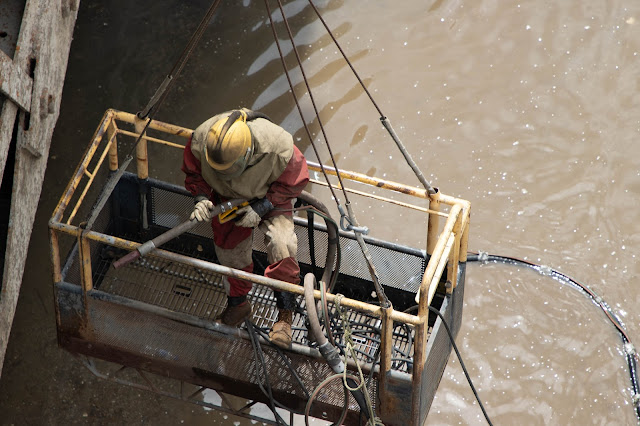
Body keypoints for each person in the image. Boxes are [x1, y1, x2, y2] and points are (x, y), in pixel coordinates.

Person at [182, 108, 309, 349]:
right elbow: (194, 172)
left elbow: (296, 180)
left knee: (282, 243)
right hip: (227, 199)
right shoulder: (201, 140)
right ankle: (238, 305)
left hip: (270, 196)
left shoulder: (277, 146)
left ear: (248, 154)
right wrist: (200, 197)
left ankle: (284, 316)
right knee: (228, 249)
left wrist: (263, 207)